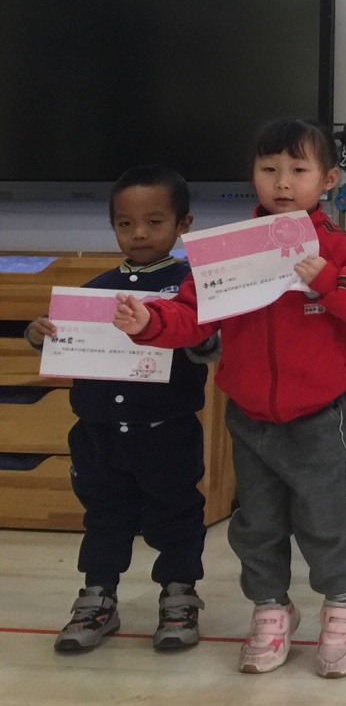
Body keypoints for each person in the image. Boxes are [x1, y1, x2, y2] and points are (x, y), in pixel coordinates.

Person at [114, 119, 346, 679]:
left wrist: (329, 282)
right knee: (258, 525)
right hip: (249, 417)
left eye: (298, 170)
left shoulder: (336, 247)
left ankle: (342, 604)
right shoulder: (230, 249)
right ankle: (271, 607)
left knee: (327, 520)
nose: (283, 182)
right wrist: (150, 321)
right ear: (253, 176)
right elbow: (193, 312)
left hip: (321, 417)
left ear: (328, 179)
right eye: (269, 169)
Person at [25, 166, 217, 653]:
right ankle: (98, 597)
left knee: (177, 514)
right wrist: (41, 334)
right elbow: (63, 344)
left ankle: (179, 595)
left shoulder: (191, 288)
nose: (139, 234)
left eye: (154, 222)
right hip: (99, 433)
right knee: (104, 516)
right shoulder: (93, 289)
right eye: (125, 224)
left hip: (166, 430)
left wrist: (199, 337)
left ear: (183, 224)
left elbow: (209, 345)